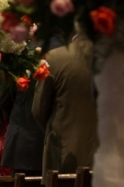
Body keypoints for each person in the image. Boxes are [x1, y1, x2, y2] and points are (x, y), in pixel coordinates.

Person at [32, 33, 99, 175]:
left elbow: (38, 109)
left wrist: (55, 130)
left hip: (64, 154)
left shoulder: (53, 58)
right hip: (110, 157)